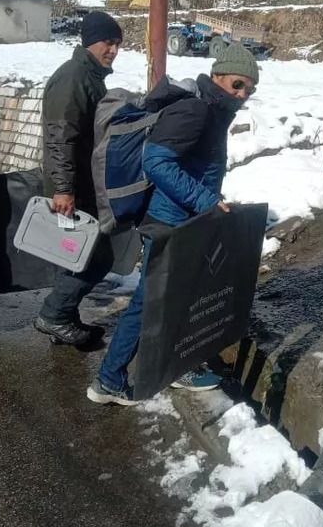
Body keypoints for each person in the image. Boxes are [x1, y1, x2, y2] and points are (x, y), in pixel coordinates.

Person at [87, 43, 259, 405]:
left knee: (176, 298)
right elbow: (157, 163)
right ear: (218, 77)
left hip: (186, 220)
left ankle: (176, 366)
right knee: (149, 303)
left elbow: (195, 165)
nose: (243, 95)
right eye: (238, 84)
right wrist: (206, 200)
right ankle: (108, 380)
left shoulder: (215, 108)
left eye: (249, 89)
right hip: (170, 223)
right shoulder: (197, 110)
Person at [35, 11, 124, 346]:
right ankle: (53, 315)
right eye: (108, 42)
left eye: (117, 44)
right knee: (97, 257)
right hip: (72, 188)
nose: (113, 50)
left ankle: (63, 320)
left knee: (70, 254)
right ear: (90, 42)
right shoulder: (74, 78)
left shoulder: (89, 76)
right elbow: (60, 138)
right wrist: (63, 189)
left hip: (81, 184)